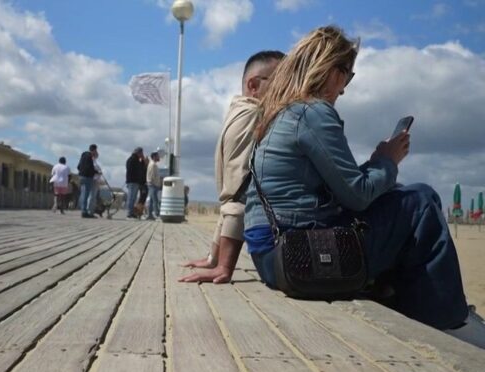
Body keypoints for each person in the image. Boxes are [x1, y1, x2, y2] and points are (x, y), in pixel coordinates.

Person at [243, 25, 485, 348]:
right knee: (422, 201)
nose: (345, 87)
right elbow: (357, 196)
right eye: (347, 73)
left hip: (272, 255)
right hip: (296, 255)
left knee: (399, 198)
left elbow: (339, 189)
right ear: (329, 69)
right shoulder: (313, 112)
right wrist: (388, 160)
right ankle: (450, 321)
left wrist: (376, 167)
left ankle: (412, 302)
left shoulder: (277, 114)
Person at [181, 50, 284, 283]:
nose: (288, 86)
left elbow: (228, 199)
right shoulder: (252, 115)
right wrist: (225, 268)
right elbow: (239, 194)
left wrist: (212, 259)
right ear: (254, 85)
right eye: (281, 80)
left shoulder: (238, 109)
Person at [77, 144, 101, 218]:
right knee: (86, 195)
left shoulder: (83, 156)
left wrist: (82, 172)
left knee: (83, 194)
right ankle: (84, 212)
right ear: (94, 150)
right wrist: (97, 172)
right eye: (96, 150)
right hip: (87, 177)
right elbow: (89, 168)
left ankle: (83, 210)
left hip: (81, 176)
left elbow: (78, 166)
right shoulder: (89, 157)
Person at [125, 147, 146, 220]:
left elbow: (141, 168)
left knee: (133, 198)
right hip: (132, 181)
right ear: (138, 153)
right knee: (131, 198)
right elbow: (137, 170)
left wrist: (143, 161)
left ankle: (131, 213)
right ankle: (129, 214)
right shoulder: (133, 159)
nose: (142, 155)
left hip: (135, 182)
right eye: (141, 153)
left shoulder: (136, 160)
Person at [146, 151, 162, 220]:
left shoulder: (153, 164)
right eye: (158, 156)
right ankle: (157, 213)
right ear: (154, 157)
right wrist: (153, 183)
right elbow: (152, 176)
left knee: (152, 200)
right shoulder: (153, 165)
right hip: (153, 185)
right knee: (155, 200)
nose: (159, 157)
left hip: (153, 185)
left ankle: (150, 215)